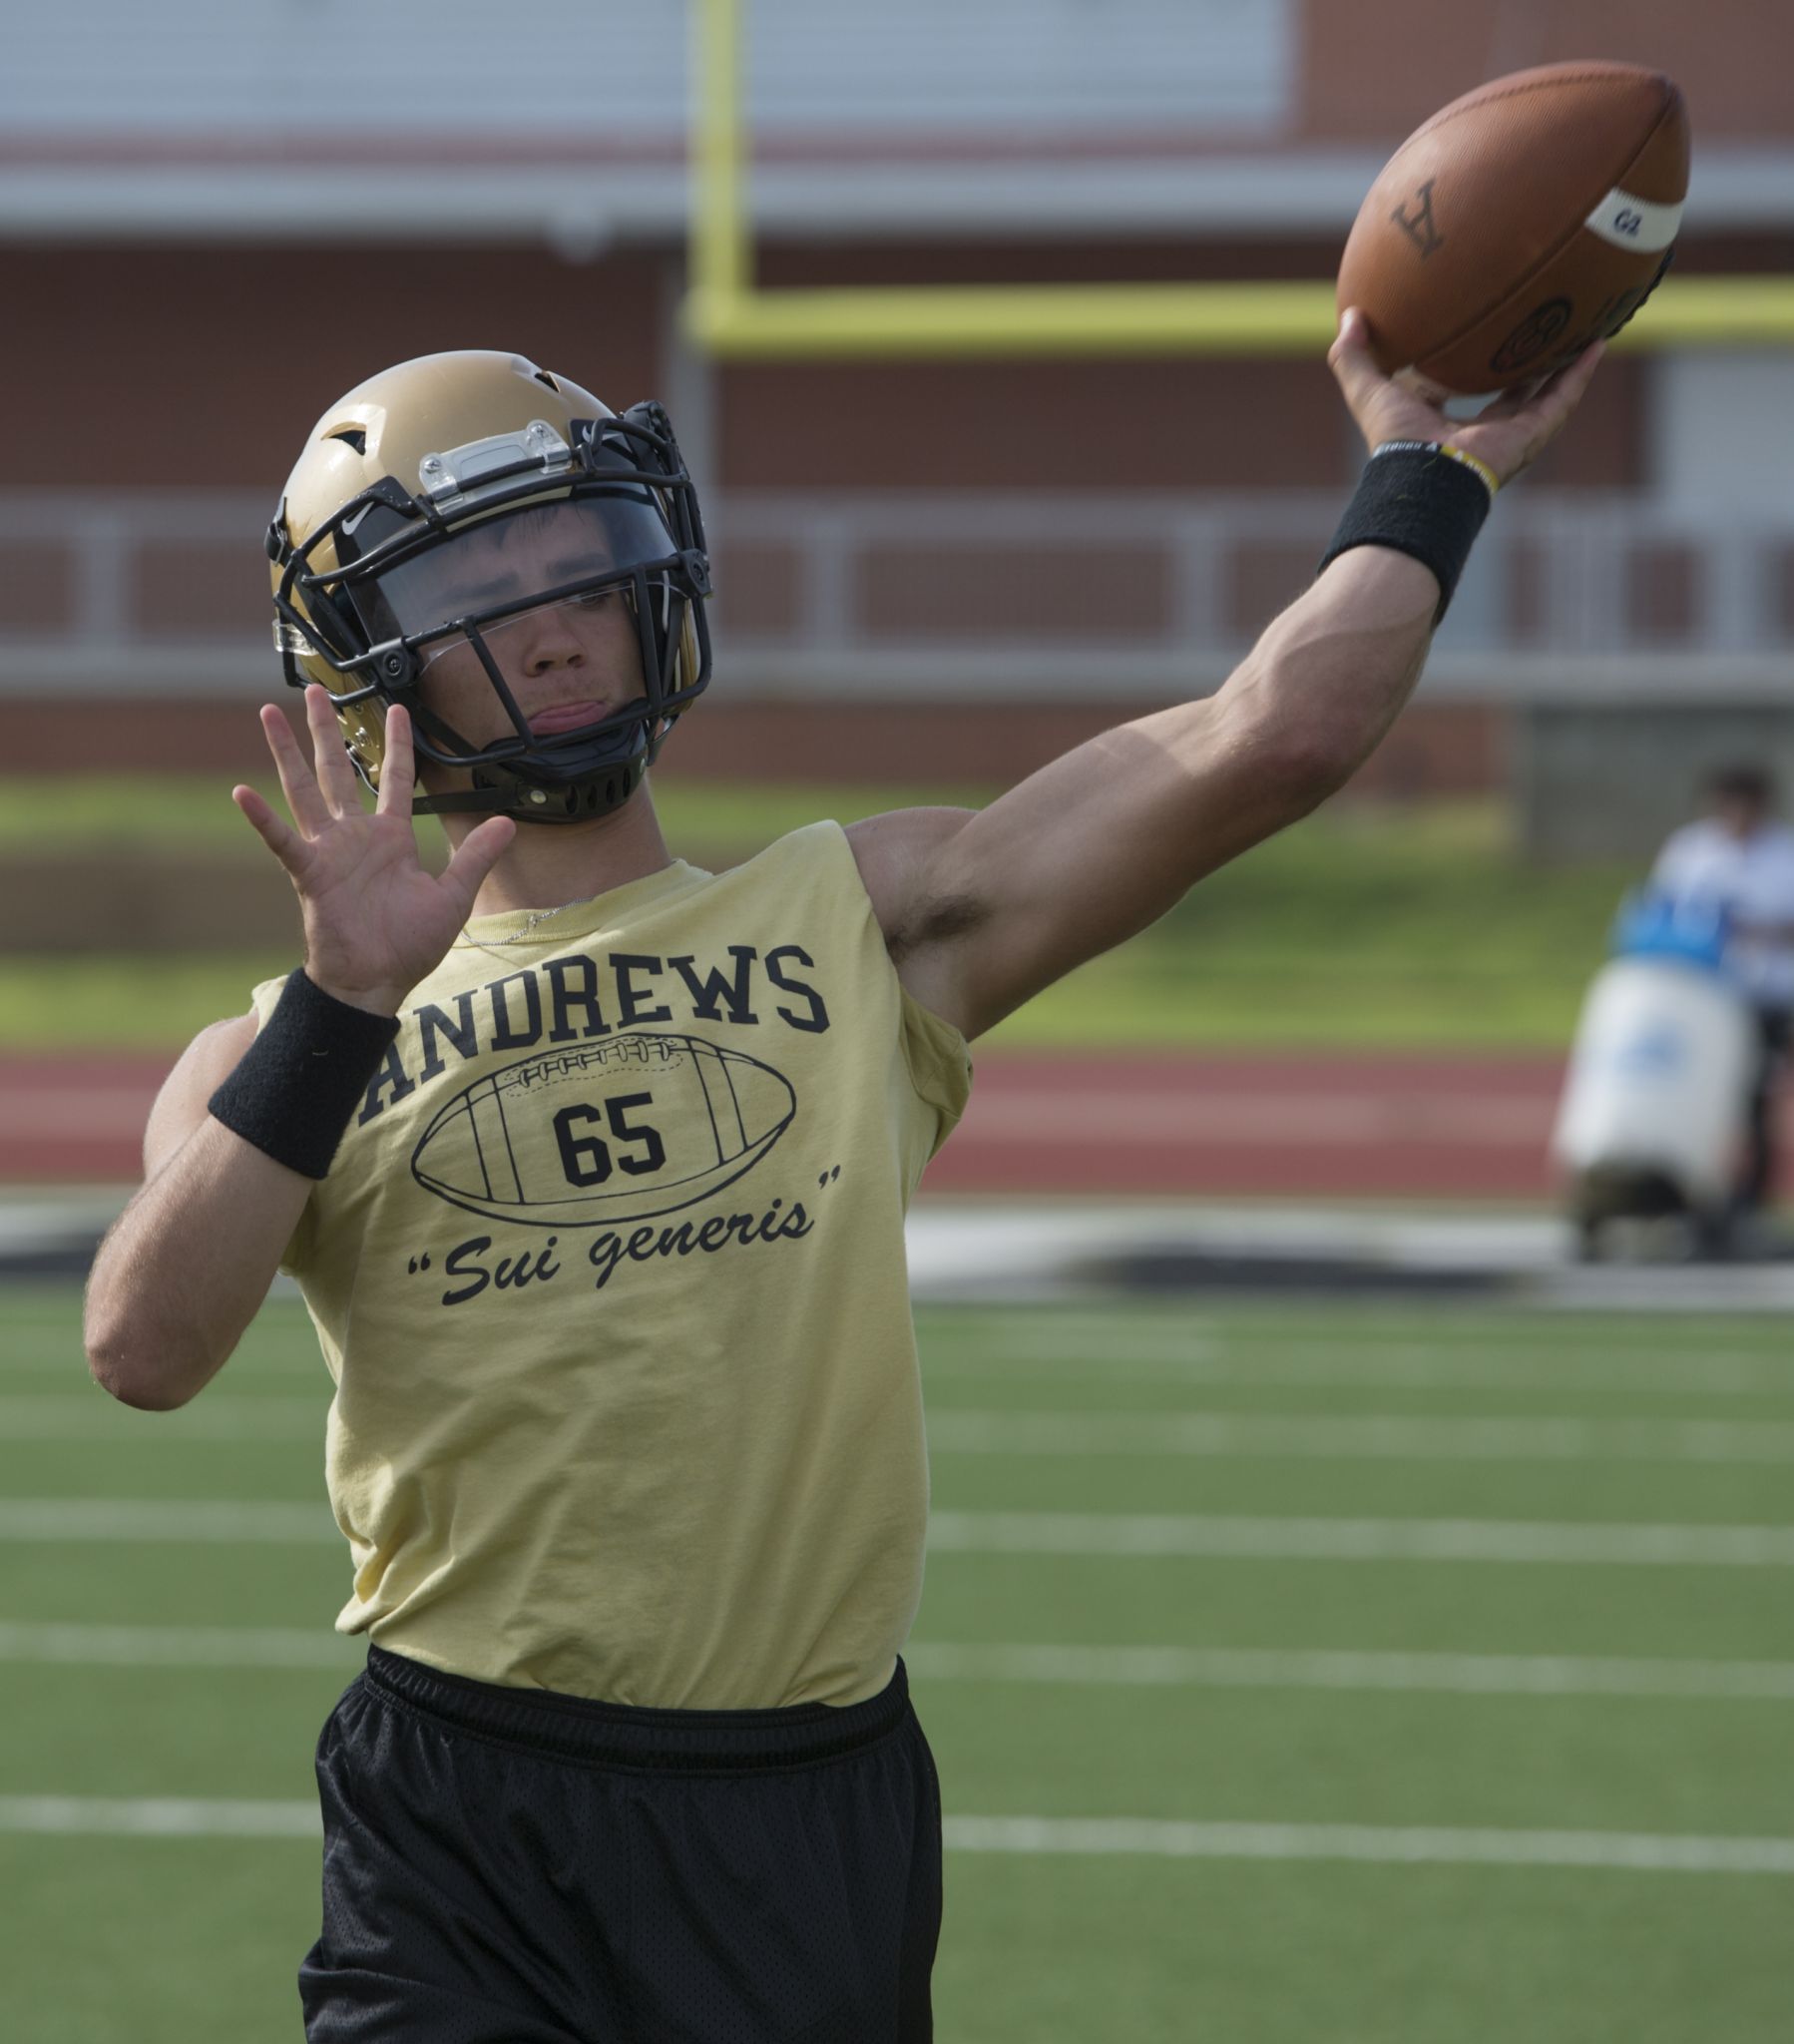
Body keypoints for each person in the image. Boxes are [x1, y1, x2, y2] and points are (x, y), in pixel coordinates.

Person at [83, 318, 1601, 2042]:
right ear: (369, 661)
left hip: (803, 1798)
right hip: (463, 1809)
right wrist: (347, 1001)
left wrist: (1427, 470)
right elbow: (145, 1344)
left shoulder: (863, 911)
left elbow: (1276, 734)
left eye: (584, 558)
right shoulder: (281, 1045)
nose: (560, 612)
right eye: (485, 586)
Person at [1650, 763, 1794, 1219]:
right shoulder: (1690, 851)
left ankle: (1748, 1202)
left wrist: (1764, 933)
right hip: (1703, 994)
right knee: (1697, 1094)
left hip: (1768, 996)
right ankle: (1685, 1195)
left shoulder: (1784, 853)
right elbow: (1662, 913)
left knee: (1754, 1098)